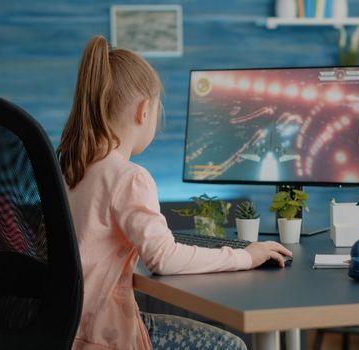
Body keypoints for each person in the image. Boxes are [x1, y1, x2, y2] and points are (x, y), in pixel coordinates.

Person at [58, 35, 293, 350]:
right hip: (106, 334)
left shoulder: (73, 170)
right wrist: (245, 256)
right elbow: (163, 259)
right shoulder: (129, 178)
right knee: (231, 345)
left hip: (67, 330)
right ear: (144, 111)